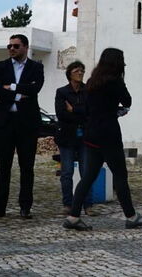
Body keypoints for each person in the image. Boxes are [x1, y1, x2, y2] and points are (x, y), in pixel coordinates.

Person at [63, 48, 142, 231]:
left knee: (88, 176)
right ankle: (131, 216)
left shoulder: (92, 82)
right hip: (109, 135)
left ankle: (73, 216)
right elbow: (128, 101)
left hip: (91, 134)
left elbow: (87, 109)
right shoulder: (115, 81)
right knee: (120, 176)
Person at [0, 34, 44, 219]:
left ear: (25, 47)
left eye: (16, 46)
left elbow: (35, 89)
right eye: (9, 46)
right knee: (3, 167)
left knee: (27, 167)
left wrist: (11, 87)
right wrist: (19, 92)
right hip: (4, 122)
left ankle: (25, 207)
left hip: (27, 123)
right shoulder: (0, 66)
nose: (11, 49)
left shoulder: (36, 67)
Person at [55, 60, 91, 215]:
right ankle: (68, 204)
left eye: (82, 70)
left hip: (84, 136)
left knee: (87, 172)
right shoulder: (62, 92)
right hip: (67, 136)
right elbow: (61, 114)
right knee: (67, 172)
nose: (81, 73)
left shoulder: (87, 91)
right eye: (77, 70)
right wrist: (80, 113)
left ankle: (88, 205)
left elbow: (90, 112)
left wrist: (74, 110)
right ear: (70, 73)